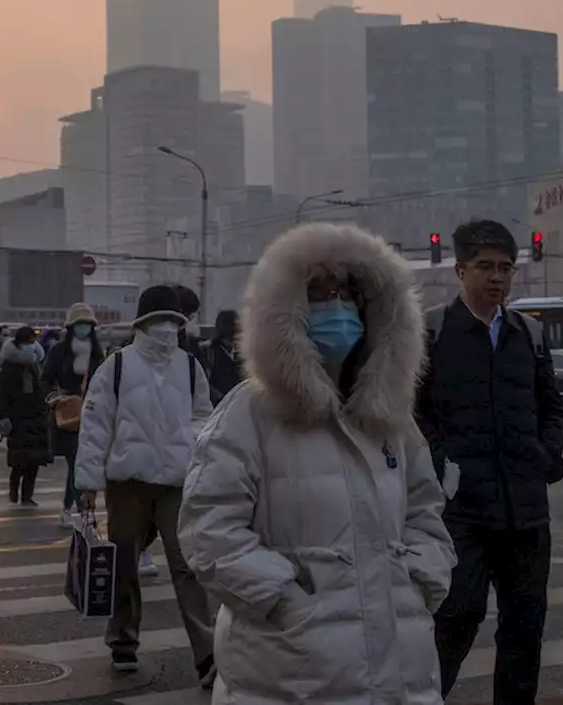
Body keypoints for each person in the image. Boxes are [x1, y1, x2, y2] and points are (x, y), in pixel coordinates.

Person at [179, 222, 456, 704]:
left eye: (348, 296)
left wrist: (419, 581)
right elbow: (208, 528)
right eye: (320, 295)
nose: (338, 310)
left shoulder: (391, 418)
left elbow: (426, 513)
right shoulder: (250, 412)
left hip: (400, 665)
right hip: (288, 671)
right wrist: (282, 597)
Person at [417, 219, 563, 705]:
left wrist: (546, 455)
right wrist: (442, 465)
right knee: (456, 617)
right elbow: (412, 412)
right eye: (485, 267)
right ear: (460, 270)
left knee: (525, 629)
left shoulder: (530, 333)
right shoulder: (433, 332)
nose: (497, 277)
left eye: (506, 268)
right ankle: (422, 698)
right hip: (462, 511)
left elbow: (552, 406)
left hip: (527, 511)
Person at [75, 284, 216, 683]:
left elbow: (205, 418)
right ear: (142, 324)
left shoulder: (190, 367)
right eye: (159, 321)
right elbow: (95, 425)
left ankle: (208, 655)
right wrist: (87, 481)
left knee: (186, 565)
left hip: (176, 483)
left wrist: (192, 450)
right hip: (128, 483)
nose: (167, 329)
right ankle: (123, 640)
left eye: (173, 321)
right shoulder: (117, 366)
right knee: (123, 562)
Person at [42, 303, 104, 529]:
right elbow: (45, 379)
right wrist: (54, 397)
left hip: (93, 416)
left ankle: (70, 509)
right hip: (67, 416)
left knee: (82, 465)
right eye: (79, 324)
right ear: (70, 327)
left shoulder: (98, 353)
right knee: (76, 463)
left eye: (87, 325)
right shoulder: (58, 351)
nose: (83, 328)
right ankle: (83, 513)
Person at [0, 326, 52, 506]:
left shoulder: (35, 363)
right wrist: (4, 417)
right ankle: (14, 491)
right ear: (19, 344)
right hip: (18, 418)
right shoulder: (10, 365)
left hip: (36, 417)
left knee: (34, 461)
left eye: (33, 342)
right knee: (19, 461)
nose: (32, 346)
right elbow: (4, 394)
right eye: (28, 342)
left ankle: (27, 495)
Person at [202, 308, 243, 405]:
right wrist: (222, 400)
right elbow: (205, 383)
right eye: (235, 325)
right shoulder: (210, 352)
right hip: (218, 406)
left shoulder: (240, 354)